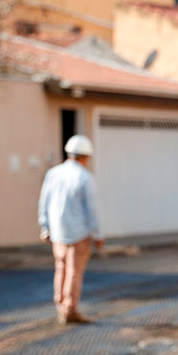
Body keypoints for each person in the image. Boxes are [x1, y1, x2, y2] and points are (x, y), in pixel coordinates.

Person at [38, 134, 104, 325]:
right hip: (79, 235)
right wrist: (97, 235)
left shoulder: (53, 174)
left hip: (57, 233)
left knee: (61, 269)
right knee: (74, 272)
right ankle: (70, 309)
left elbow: (44, 202)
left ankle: (61, 306)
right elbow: (91, 210)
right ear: (86, 156)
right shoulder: (85, 177)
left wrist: (45, 227)